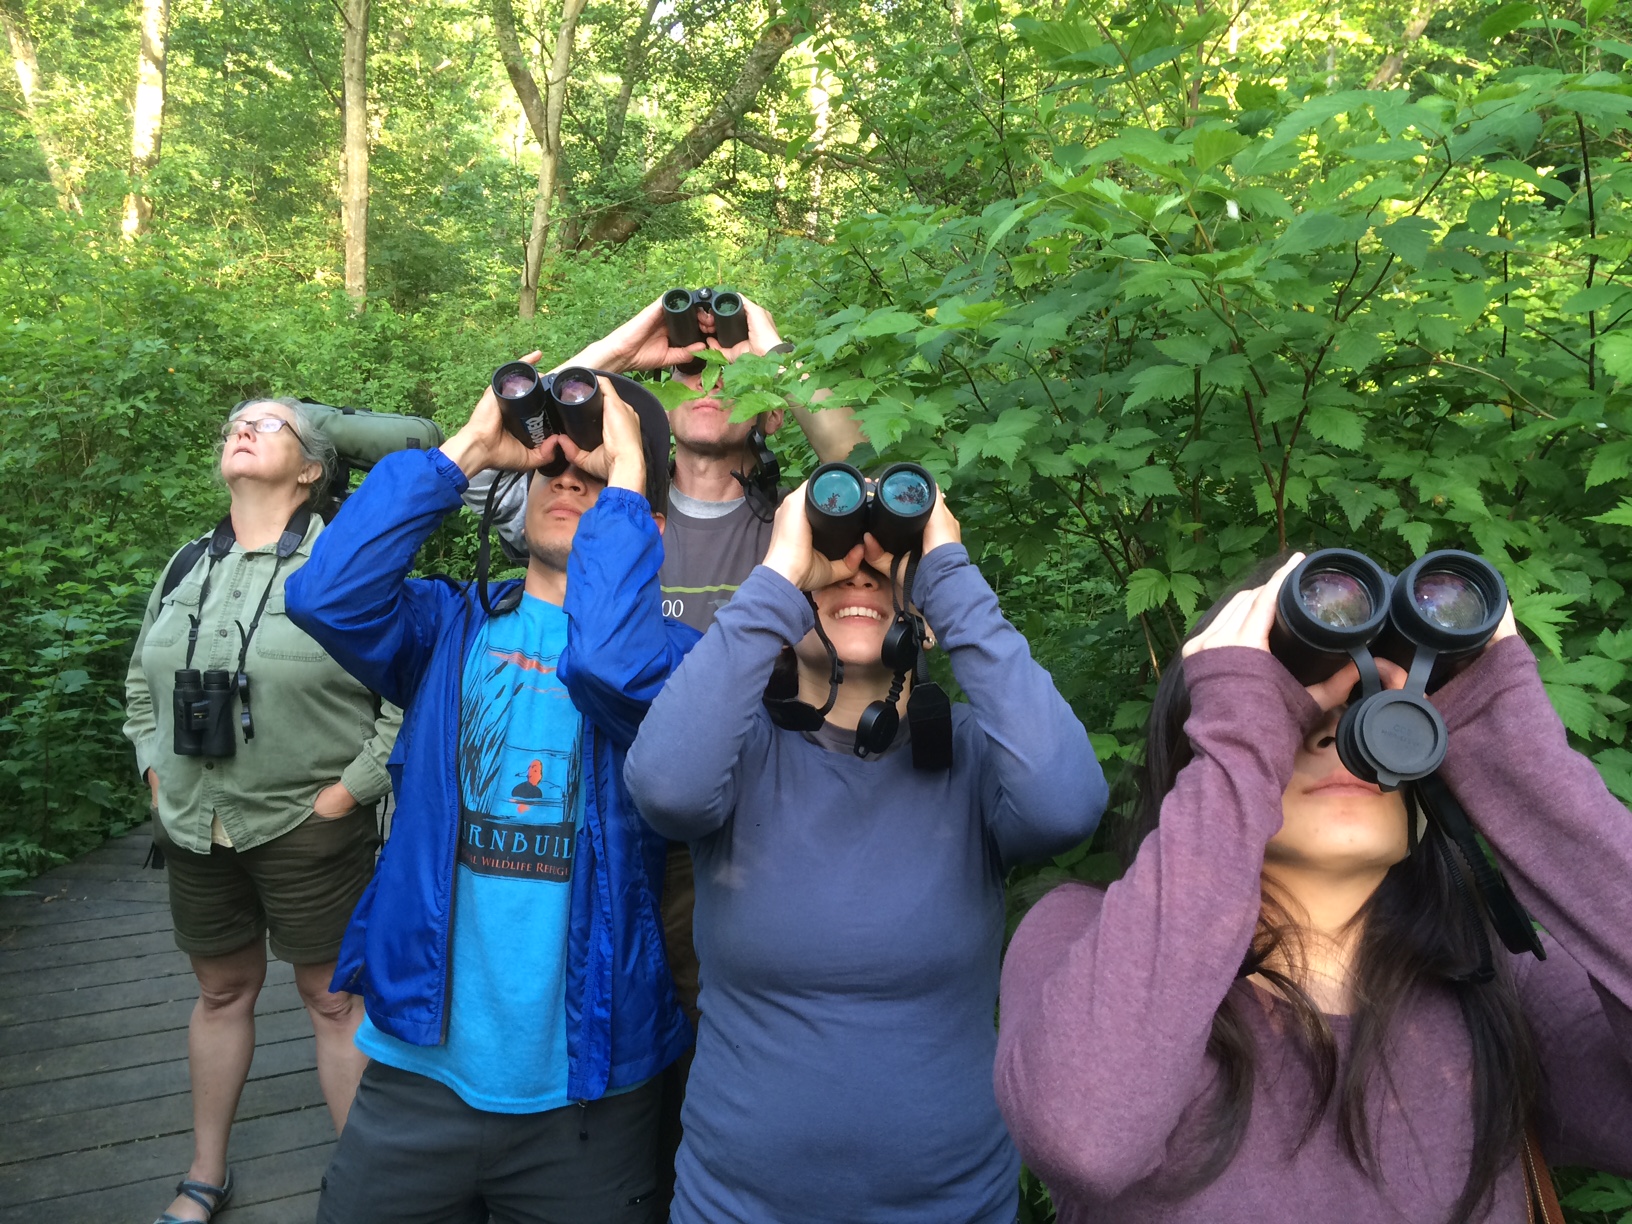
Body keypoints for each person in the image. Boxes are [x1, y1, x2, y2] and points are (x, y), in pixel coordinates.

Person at [994, 554, 1632, 1224]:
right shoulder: (1081, 938)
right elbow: (1083, 1135)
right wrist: (1241, 738)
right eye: (1290, 709)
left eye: (1374, 708)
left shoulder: (1501, 984)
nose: (1336, 730)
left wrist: (1518, 755)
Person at [466, 292, 864, 1203]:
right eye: (688, 369)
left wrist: (772, 351)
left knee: (726, 1049)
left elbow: (863, 468)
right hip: (602, 820)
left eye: (730, 375)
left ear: (772, 410)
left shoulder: (795, 524)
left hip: (756, 831)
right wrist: (617, 355)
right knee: (608, 1044)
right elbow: (524, 441)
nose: (707, 382)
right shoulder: (607, 501)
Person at [623, 482, 1108, 1223]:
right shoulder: (739, 753)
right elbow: (664, 786)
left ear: (928, 620)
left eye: (887, 570)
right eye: (833, 562)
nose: (857, 576)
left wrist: (946, 573)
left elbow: (1067, 803)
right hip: (737, 1209)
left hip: (954, 1209)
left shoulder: (975, 757)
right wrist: (782, 571)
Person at [284, 358, 693, 1224]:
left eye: (598, 478)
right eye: (554, 468)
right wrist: (469, 448)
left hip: (592, 1087)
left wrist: (629, 471)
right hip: (417, 1070)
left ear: (643, 523)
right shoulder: (446, 625)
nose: (569, 482)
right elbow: (324, 595)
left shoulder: (680, 663)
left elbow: (609, 667)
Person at [123, 397, 402, 1224]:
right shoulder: (186, 564)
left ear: (312, 469)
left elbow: (406, 692)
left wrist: (349, 792)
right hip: (193, 824)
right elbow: (140, 684)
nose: (243, 429)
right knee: (220, 992)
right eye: (236, 423)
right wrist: (154, 771)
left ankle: (365, 1198)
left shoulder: (344, 565)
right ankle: (204, 1175)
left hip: (308, 828)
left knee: (332, 1000)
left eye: (270, 423)